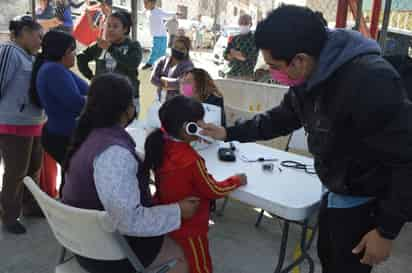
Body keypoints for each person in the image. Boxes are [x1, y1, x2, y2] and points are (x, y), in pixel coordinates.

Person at [199, 5, 412, 273]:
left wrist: (386, 231)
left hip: (365, 200)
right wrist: (229, 133)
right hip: (335, 185)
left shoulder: (371, 81)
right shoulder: (309, 78)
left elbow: (406, 159)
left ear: (299, 59)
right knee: (328, 255)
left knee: (346, 266)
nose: (274, 73)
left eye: (276, 66)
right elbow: (280, 119)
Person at [62, 73, 200, 273]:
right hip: (107, 254)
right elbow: (128, 221)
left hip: (84, 240)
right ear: (127, 109)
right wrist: (178, 210)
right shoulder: (114, 154)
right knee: (185, 254)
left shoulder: (90, 135)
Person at [142, 95, 247, 273]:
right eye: (200, 122)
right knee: (200, 266)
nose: (204, 126)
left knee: (182, 259)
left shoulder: (160, 145)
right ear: (189, 128)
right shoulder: (191, 161)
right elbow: (213, 190)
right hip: (191, 228)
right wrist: (236, 180)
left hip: (169, 219)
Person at [0, 16, 44, 234]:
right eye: (38, 36)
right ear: (24, 32)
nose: (40, 41)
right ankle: (9, 216)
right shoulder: (9, 51)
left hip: (32, 122)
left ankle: (30, 206)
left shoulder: (30, 56)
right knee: (16, 171)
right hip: (13, 123)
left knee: (33, 169)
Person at [30, 30, 88, 166]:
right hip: (63, 135)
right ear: (65, 51)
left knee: (71, 179)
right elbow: (78, 104)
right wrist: (92, 99)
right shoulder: (53, 70)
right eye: (73, 50)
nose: (75, 54)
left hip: (63, 133)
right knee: (74, 179)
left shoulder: (58, 68)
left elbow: (91, 91)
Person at [77, 11, 142, 113]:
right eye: (108, 26)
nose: (110, 30)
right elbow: (81, 57)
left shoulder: (133, 46)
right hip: (103, 98)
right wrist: (90, 76)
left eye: (115, 26)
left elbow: (133, 63)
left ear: (125, 29)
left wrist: (110, 49)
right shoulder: (100, 45)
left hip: (126, 100)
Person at [151, 36, 194, 101]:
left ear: (187, 51)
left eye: (182, 49)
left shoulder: (189, 66)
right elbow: (153, 79)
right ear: (172, 46)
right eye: (176, 47)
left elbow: (180, 84)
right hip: (160, 100)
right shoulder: (162, 60)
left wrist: (161, 78)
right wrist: (173, 84)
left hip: (177, 103)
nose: (178, 50)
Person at [142, 0, 176, 70]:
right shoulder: (148, 12)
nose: (144, 5)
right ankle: (150, 63)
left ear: (153, 3)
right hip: (156, 35)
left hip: (162, 35)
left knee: (161, 51)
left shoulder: (158, 11)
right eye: (144, 3)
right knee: (155, 50)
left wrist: (175, 13)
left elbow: (167, 15)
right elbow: (144, 16)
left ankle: (158, 65)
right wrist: (145, 10)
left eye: (146, 3)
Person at [223, 14, 258, 80]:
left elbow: (249, 58)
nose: (243, 25)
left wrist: (234, 54)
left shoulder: (254, 40)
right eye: (241, 23)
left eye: (245, 23)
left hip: (246, 76)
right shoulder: (234, 38)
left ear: (250, 24)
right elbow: (225, 54)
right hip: (231, 74)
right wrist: (235, 55)